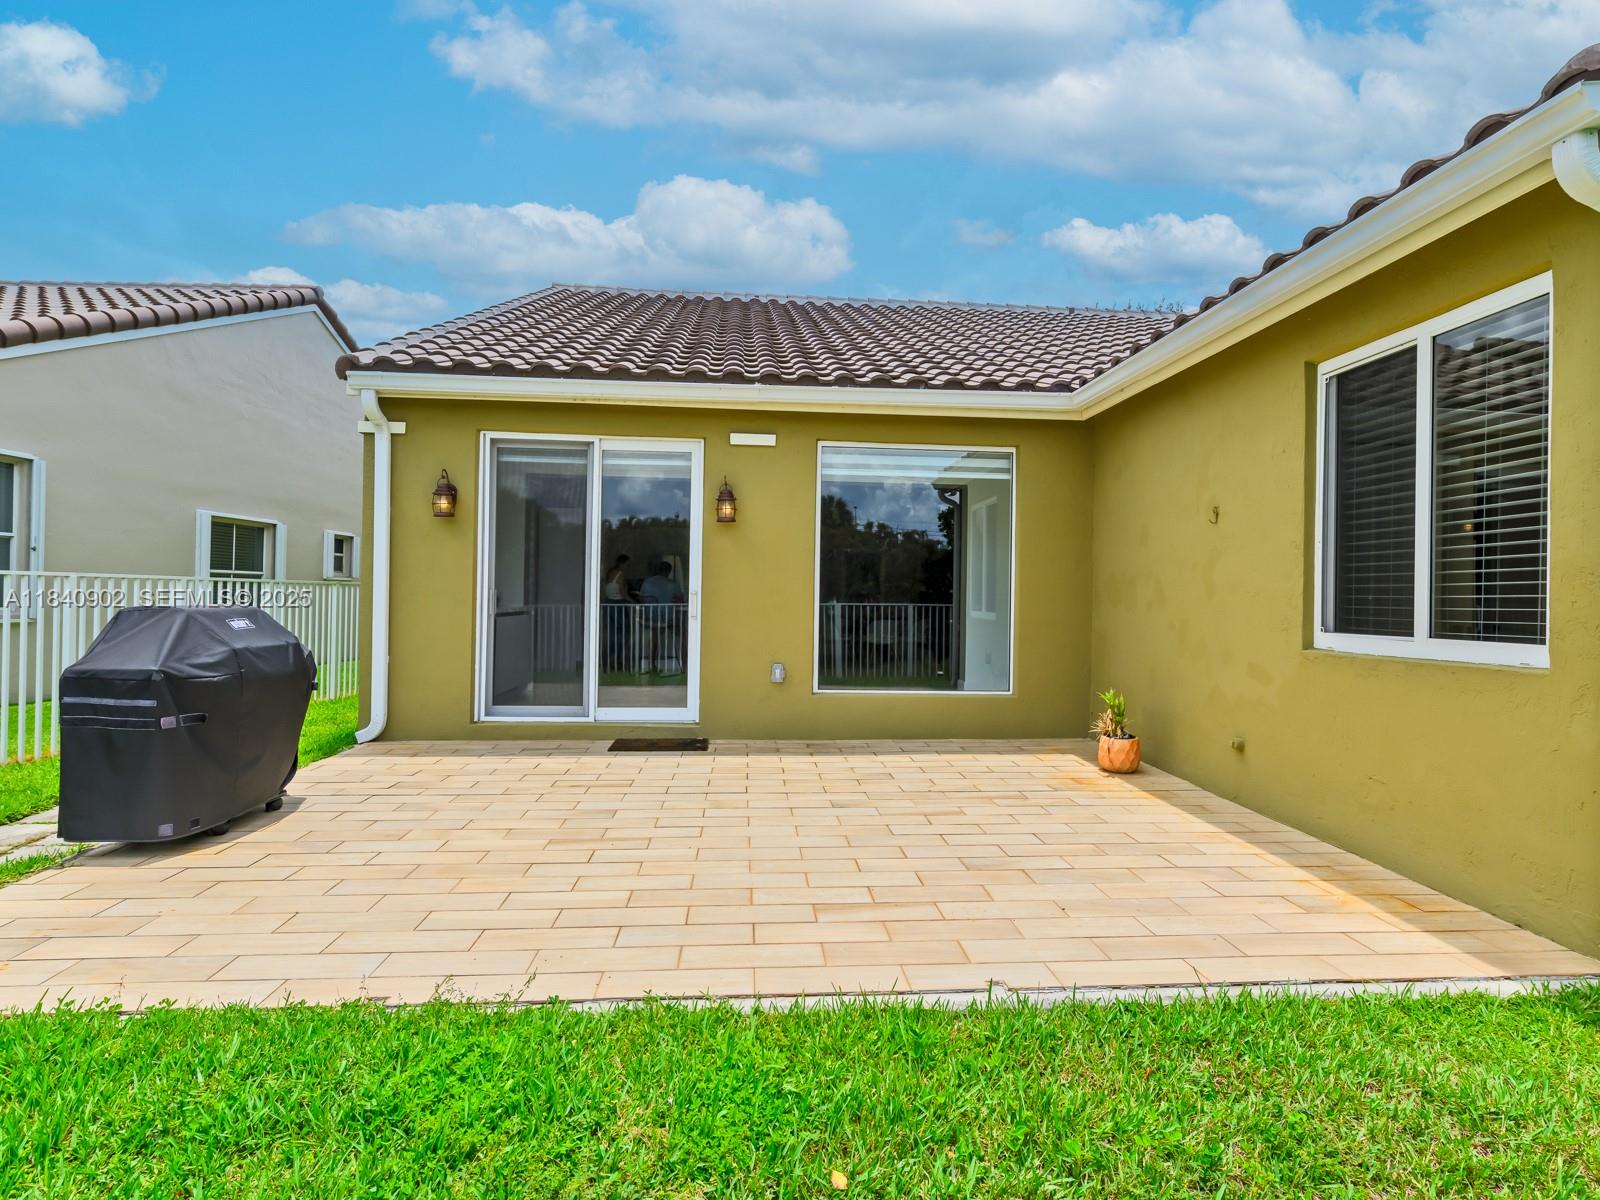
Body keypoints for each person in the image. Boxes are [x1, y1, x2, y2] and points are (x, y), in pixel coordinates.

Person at [638, 561, 684, 674]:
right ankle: (685, 665)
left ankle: (652, 664)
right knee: (683, 637)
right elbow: (681, 601)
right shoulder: (673, 584)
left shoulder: (647, 582)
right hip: (669, 619)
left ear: (658, 570)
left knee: (655, 639)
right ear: (668, 572)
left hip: (651, 619)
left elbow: (641, 600)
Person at [601, 555, 632, 671]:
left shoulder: (610, 573)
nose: (628, 567)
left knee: (611, 633)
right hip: (618, 605)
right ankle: (617, 659)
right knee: (623, 632)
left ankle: (609, 659)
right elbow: (622, 593)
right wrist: (634, 602)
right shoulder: (620, 574)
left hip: (609, 605)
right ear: (623, 564)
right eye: (628, 565)